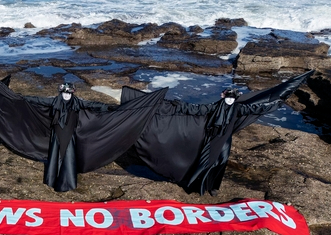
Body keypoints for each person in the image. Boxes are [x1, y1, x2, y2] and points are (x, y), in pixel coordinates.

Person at [0, 61, 167, 192]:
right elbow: (35, 99)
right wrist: (17, 98)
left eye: (68, 93)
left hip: (70, 136)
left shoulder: (77, 103)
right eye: (64, 93)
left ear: (72, 94)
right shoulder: (54, 102)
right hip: (56, 136)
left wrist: (112, 108)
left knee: (68, 158)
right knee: (55, 157)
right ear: (61, 93)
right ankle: (53, 180)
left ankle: (67, 182)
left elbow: (94, 105)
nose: (66, 96)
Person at [120, 70, 314, 195]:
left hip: (223, 141)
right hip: (210, 139)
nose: (229, 100)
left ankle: (211, 187)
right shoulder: (214, 108)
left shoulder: (238, 108)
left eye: (232, 98)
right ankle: (196, 185)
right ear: (223, 97)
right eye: (227, 98)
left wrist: (276, 101)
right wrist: (168, 104)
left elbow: (255, 108)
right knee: (204, 162)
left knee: (219, 163)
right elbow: (191, 110)